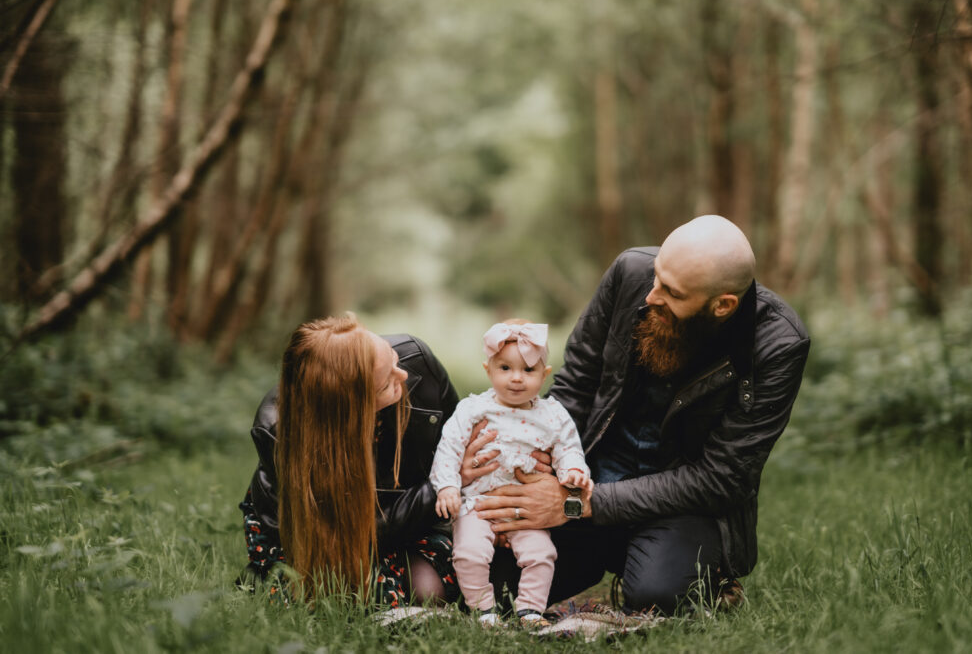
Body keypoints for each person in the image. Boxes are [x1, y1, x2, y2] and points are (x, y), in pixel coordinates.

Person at [473, 215, 811, 615]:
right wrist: (532, 475)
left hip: (678, 503)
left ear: (722, 305)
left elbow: (721, 478)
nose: (651, 295)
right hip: (587, 473)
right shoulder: (630, 272)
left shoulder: (778, 344)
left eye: (671, 292)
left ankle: (703, 570)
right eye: (656, 277)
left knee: (657, 596)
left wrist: (573, 505)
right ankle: (602, 551)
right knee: (498, 584)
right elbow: (576, 387)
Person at [238, 313, 463, 606]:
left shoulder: (418, 361)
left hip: (415, 517)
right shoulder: (280, 434)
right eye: (385, 384)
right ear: (349, 408)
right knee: (344, 595)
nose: (404, 376)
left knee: (431, 592)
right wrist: (437, 490)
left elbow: (458, 447)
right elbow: (343, 534)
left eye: (394, 360)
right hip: (325, 536)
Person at [429, 320, 592, 626]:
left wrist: (573, 472)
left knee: (542, 554)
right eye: (505, 368)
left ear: (544, 375)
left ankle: (530, 609)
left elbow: (569, 448)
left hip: (526, 509)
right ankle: (483, 610)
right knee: (468, 554)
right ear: (488, 369)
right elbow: (449, 448)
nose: (517, 378)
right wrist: (448, 487)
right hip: (478, 503)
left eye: (528, 371)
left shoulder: (553, 414)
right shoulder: (472, 409)